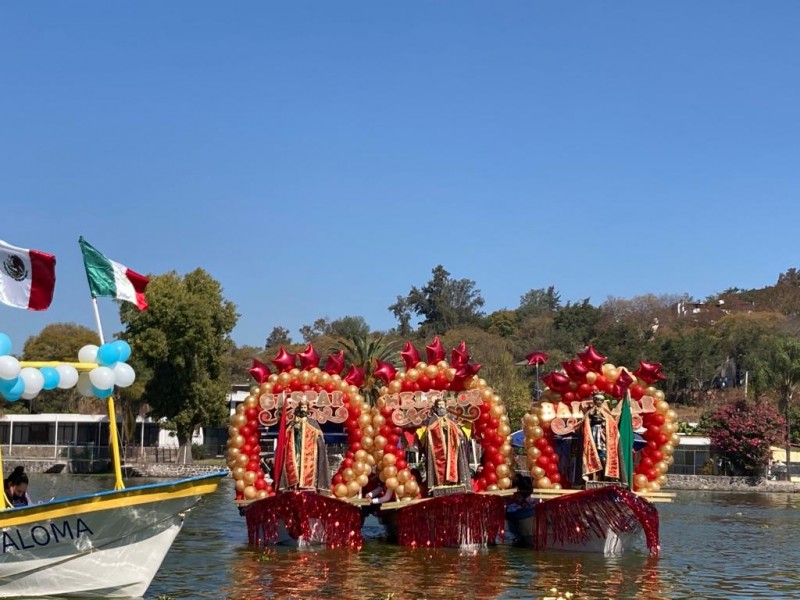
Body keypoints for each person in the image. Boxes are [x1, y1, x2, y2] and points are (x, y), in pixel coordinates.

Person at [276, 396, 331, 491]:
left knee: (308, 469)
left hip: (309, 452)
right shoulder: (294, 422)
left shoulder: (313, 422)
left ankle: (308, 485)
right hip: (297, 448)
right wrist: (296, 428)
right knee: (296, 466)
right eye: (301, 407)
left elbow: (319, 437)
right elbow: (287, 435)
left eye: (304, 407)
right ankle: (295, 485)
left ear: (307, 409)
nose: (303, 409)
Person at [419, 397, 471, 489]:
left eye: (442, 405)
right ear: (435, 407)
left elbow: (458, 431)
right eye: (439, 405)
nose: (441, 407)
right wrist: (439, 426)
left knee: (452, 464)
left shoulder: (451, 418)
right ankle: (440, 483)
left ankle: (453, 482)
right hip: (438, 449)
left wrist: (449, 427)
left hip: (450, 447)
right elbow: (429, 431)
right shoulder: (433, 419)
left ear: (446, 406)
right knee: (440, 467)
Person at [582, 394, 620, 482]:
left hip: (603, 435)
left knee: (604, 457)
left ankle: (606, 477)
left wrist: (604, 421)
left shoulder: (605, 412)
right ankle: (594, 477)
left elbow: (612, 424)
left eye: (600, 400)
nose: (598, 402)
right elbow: (585, 422)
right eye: (596, 400)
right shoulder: (590, 411)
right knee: (594, 456)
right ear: (594, 401)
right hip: (593, 435)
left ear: (602, 402)